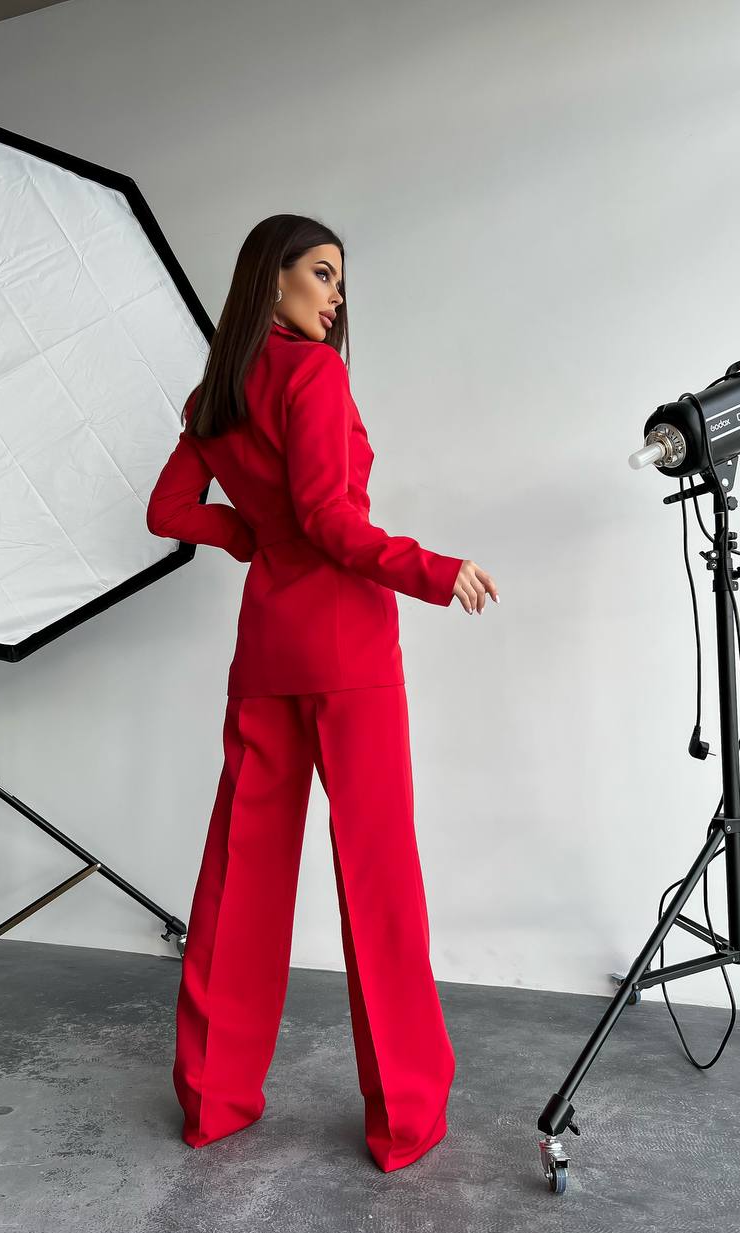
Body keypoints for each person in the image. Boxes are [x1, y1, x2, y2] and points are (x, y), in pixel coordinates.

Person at [146, 213, 499, 1173]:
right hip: (346, 651)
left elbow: (168, 511)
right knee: (377, 878)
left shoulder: (213, 394)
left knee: (239, 874)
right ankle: (405, 1119)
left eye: (339, 279)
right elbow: (334, 522)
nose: (335, 294)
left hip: (266, 651)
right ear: (272, 282)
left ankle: (213, 1101)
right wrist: (434, 568)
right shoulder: (314, 375)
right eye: (321, 273)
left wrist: (246, 539)